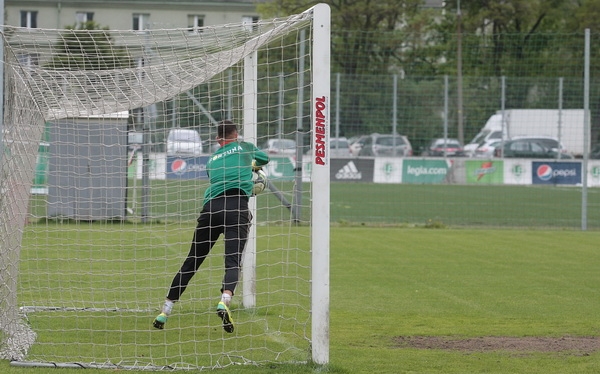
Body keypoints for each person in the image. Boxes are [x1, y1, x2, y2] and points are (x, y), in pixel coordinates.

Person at [153, 120, 269, 333]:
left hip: (211, 209)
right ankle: (224, 300)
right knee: (232, 260)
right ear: (237, 134)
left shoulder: (212, 159)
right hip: (236, 207)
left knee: (192, 261)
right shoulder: (245, 147)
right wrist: (252, 167)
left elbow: (217, 177)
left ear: (218, 139)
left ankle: (165, 311)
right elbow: (264, 159)